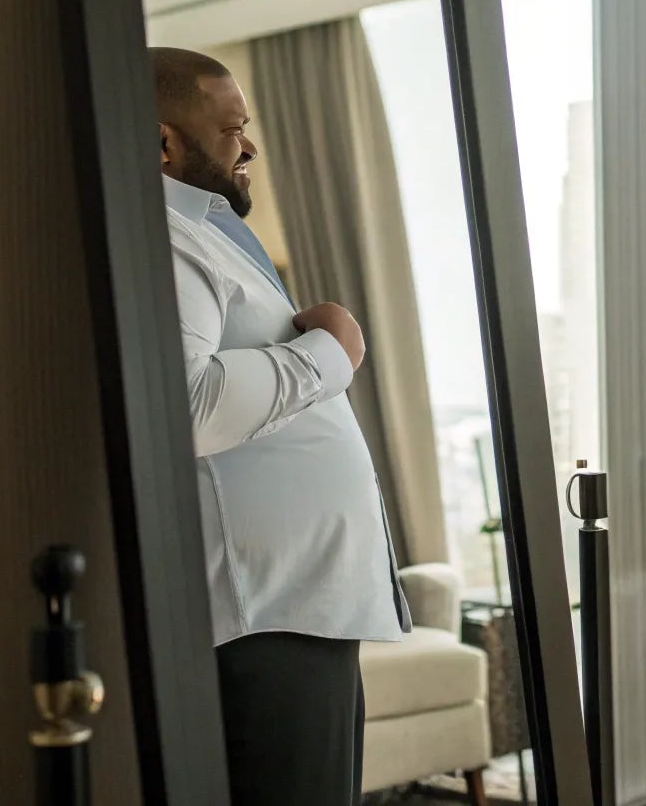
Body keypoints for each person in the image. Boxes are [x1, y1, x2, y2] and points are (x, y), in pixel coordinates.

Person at [153, 46, 409, 805]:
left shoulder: (207, 236)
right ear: (163, 143)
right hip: (267, 612)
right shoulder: (164, 242)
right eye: (232, 129)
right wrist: (333, 351)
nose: (249, 146)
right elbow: (187, 405)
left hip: (300, 603)